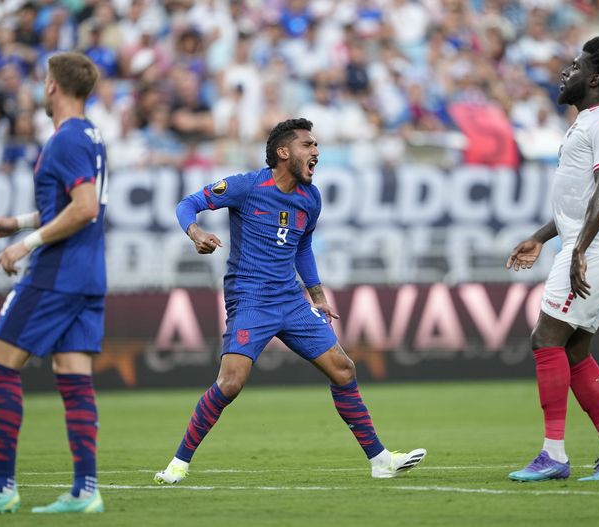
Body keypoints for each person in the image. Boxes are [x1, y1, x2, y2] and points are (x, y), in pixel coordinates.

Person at [154, 118, 426, 485]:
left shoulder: (310, 198)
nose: (316, 151)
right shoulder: (247, 186)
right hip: (250, 300)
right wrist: (196, 231)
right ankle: (178, 464)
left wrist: (318, 296)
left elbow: (302, 247)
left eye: (316, 146)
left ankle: (380, 460)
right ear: (283, 152)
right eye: (308, 145)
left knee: (344, 370)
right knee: (231, 383)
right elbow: (188, 204)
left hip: (292, 302)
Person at [0, 52, 108, 514]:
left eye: (43, 80)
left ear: (53, 85)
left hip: (57, 274)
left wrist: (26, 244)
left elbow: (86, 208)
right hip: (90, 274)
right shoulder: (92, 135)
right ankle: (85, 490)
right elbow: (76, 205)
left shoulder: (65, 140)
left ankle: (0, 486)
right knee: (74, 378)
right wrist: (14, 223)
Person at [505, 37, 599, 482]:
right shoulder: (590, 121)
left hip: (595, 245)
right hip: (587, 241)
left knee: (546, 339)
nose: (566, 71)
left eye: (576, 66)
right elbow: (579, 197)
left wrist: (578, 249)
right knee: (574, 348)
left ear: (595, 79)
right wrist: (544, 237)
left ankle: (554, 455)